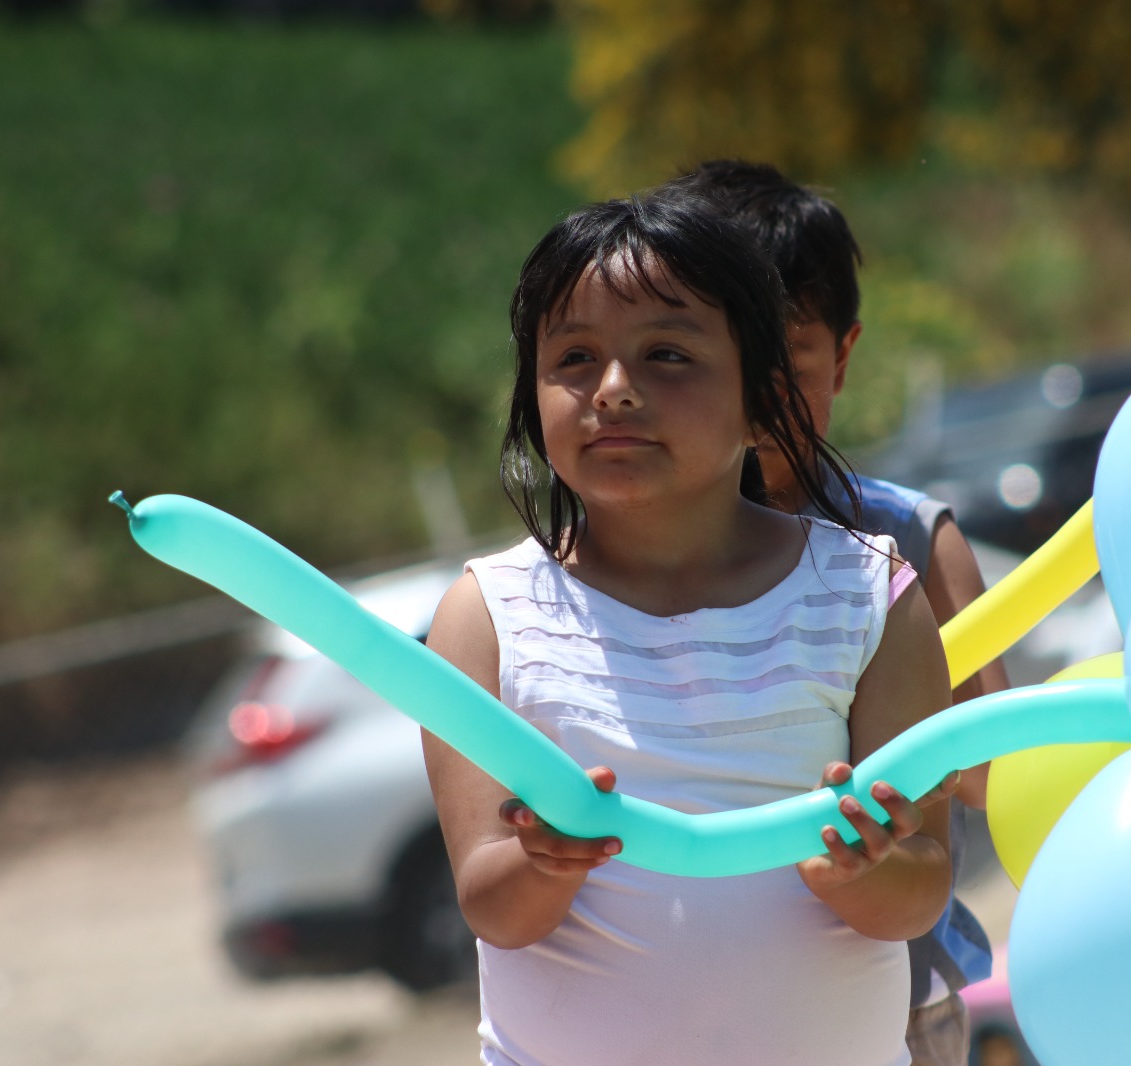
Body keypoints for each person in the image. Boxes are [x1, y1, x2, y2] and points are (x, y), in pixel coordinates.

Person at [420, 186, 962, 1066]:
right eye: (575, 357)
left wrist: (869, 870)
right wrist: (543, 863)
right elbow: (492, 906)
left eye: (667, 353)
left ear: (760, 401)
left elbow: (923, 889)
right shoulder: (486, 616)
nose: (616, 390)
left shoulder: (870, 594)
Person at [674, 158, 1011, 1066]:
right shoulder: (629, 557)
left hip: (892, 1008)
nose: (753, 394)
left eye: (788, 360)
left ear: (845, 355)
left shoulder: (905, 539)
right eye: (710, 356)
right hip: (680, 1005)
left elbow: (989, 778)